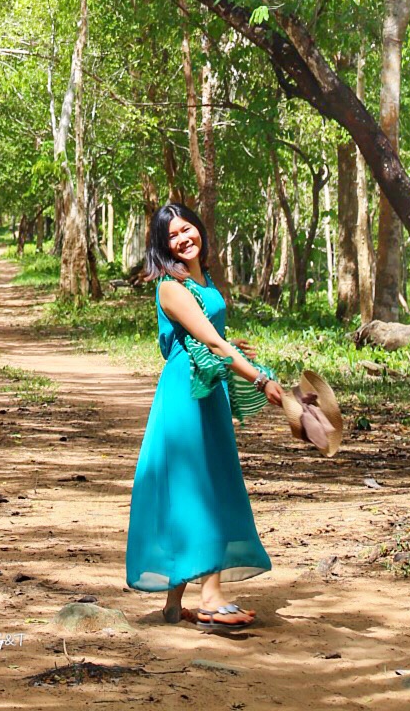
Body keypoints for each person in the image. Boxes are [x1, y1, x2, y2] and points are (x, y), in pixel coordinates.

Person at [125, 203, 284, 630]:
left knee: (202, 482)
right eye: (172, 236)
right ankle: (211, 596)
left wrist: (236, 352)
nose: (183, 238)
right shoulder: (169, 287)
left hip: (206, 390)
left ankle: (174, 605)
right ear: (163, 246)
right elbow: (211, 342)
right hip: (184, 396)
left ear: (199, 229)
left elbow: (209, 338)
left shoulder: (204, 279)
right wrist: (261, 378)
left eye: (187, 229)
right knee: (200, 488)